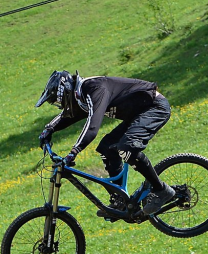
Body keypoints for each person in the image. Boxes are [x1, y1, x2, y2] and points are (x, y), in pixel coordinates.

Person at [35, 70, 175, 215]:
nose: (61, 105)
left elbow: (92, 127)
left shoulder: (95, 89)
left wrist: (74, 151)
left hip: (154, 108)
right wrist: (48, 130)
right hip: (137, 114)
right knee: (106, 148)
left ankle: (161, 190)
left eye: (59, 101)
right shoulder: (81, 96)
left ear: (66, 91)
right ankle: (120, 200)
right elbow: (69, 115)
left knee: (127, 148)